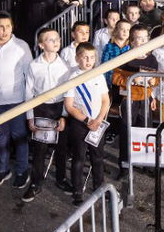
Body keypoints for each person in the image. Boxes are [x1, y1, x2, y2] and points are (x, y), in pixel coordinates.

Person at [24, 26, 73, 202]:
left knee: (61, 147)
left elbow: (69, 93)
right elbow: (29, 93)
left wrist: (65, 115)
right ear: (41, 44)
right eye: (51, 39)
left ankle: (61, 179)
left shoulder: (65, 66)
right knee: (40, 149)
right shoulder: (34, 65)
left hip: (59, 108)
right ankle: (36, 182)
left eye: (58, 38)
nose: (56, 42)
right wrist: (30, 117)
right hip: (41, 108)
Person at [0, 12, 32, 187]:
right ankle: (3, 169)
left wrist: (29, 103)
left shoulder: (21, 46)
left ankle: (22, 170)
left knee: (19, 137)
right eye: (1, 27)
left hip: (17, 101)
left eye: (8, 26)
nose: (5, 30)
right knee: (0, 139)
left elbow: (29, 76)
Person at [64, 43, 110, 204]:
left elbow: (106, 100)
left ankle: (99, 187)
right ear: (77, 59)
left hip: (97, 123)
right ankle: (77, 191)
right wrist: (86, 120)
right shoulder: (72, 77)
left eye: (92, 57)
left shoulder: (99, 75)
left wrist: (98, 119)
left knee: (97, 158)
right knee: (79, 158)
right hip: (80, 124)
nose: (89, 61)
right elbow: (69, 105)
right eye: (85, 57)